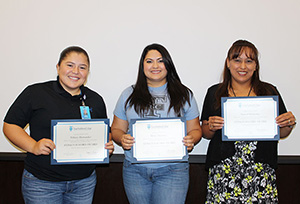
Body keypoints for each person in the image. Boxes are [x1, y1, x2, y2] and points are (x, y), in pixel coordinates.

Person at [3, 46, 114, 204]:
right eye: (70, 65)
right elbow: (10, 125)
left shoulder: (95, 99)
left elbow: (104, 132)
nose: (75, 71)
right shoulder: (36, 93)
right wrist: (34, 146)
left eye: (82, 67)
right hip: (42, 184)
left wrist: (106, 148)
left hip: (84, 183)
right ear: (58, 67)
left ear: (87, 72)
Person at [200, 39, 296, 203]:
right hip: (223, 171)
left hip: (261, 171)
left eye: (249, 61)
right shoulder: (214, 92)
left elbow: (281, 132)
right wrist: (211, 126)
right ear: (228, 63)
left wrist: (288, 124)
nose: (243, 66)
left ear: (256, 65)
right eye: (237, 60)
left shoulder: (269, 91)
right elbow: (206, 133)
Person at [111, 43, 202, 204]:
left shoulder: (184, 94)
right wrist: (122, 138)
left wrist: (191, 139)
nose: (155, 66)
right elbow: (117, 129)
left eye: (160, 61)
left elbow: (195, 129)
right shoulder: (128, 94)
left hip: (174, 170)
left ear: (168, 64)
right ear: (142, 65)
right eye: (149, 61)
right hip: (135, 170)